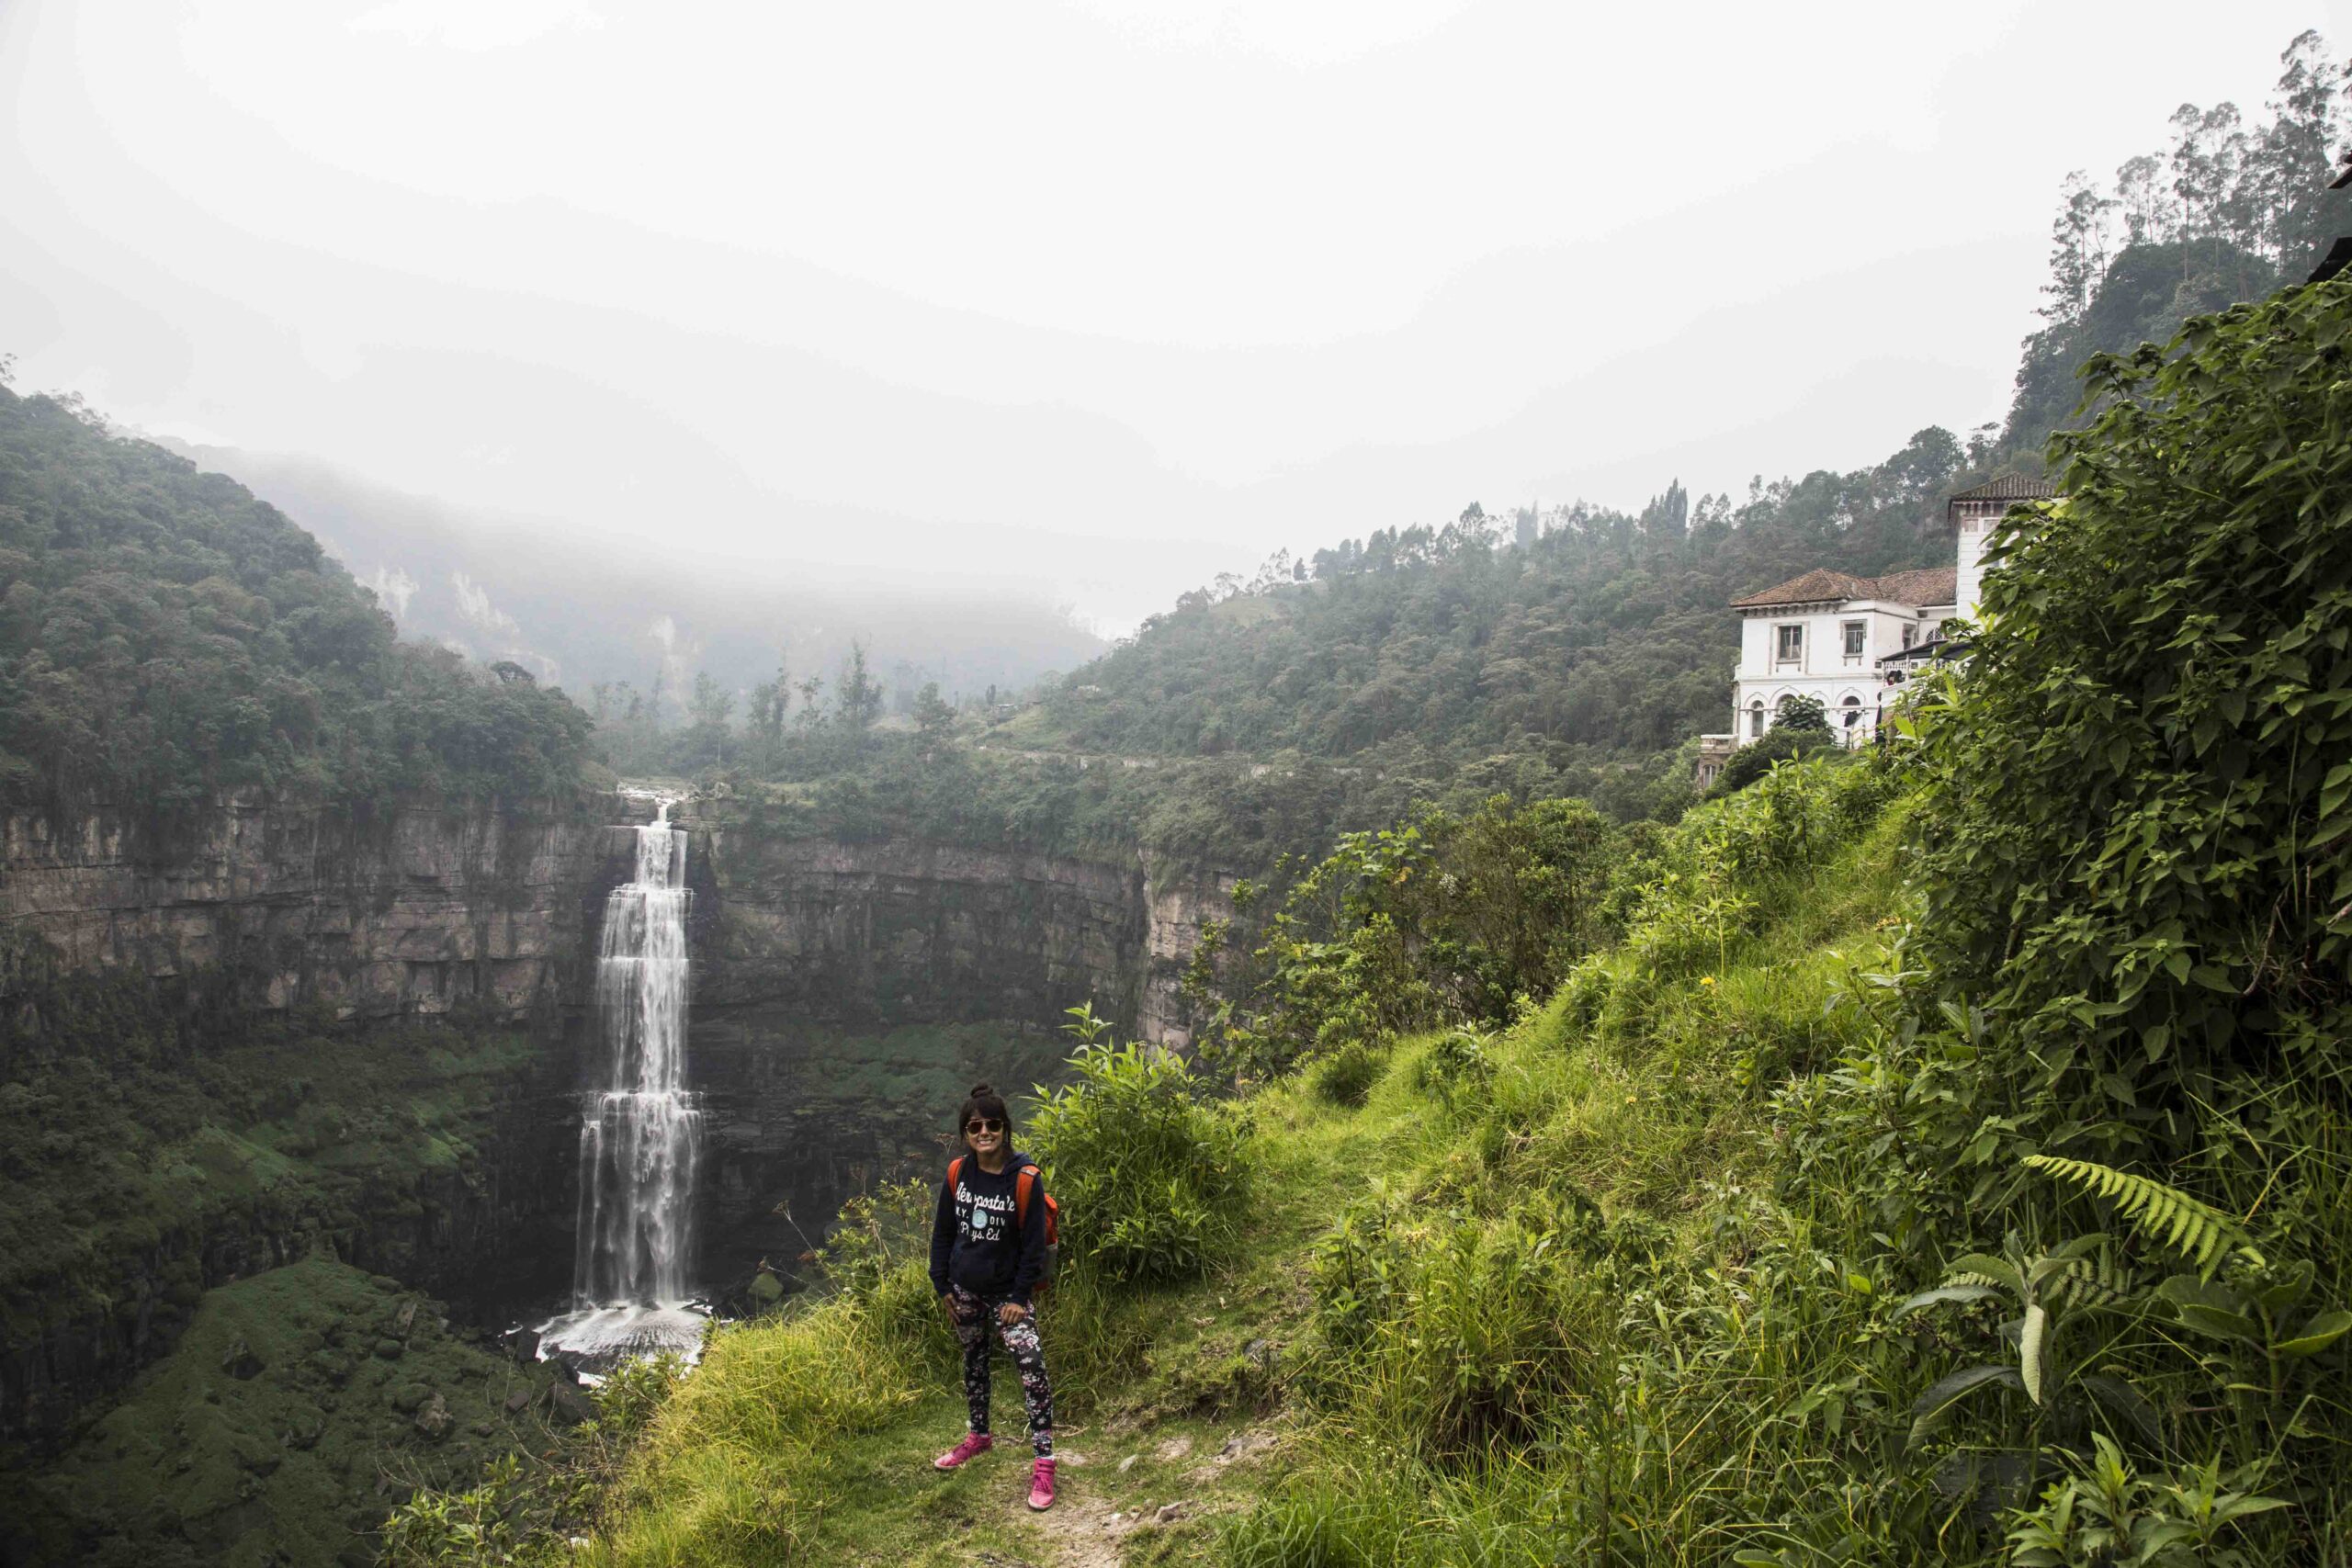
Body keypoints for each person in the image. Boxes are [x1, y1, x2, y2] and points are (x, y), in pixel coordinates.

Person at [927, 1082, 1057, 1511]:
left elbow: (1034, 1246)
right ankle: (979, 1436)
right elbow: (945, 1231)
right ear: (966, 1131)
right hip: (964, 1290)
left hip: (1008, 1297)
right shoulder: (958, 1173)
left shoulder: (1024, 1178)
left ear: (1005, 1128)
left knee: (1032, 1370)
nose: (984, 1132)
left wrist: (1019, 1296)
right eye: (975, 1125)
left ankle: (1044, 1463)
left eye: (992, 1124)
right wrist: (942, 1284)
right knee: (974, 1364)